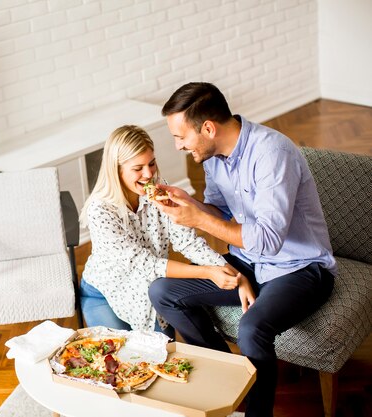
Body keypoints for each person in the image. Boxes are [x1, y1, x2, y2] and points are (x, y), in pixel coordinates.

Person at [148, 82, 336, 417]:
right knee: (163, 291)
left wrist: (199, 221)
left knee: (251, 328)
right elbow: (220, 213)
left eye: (180, 137)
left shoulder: (271, 154)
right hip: (251, 262)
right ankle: (231, 384)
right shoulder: (212, 157)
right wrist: (189, 204)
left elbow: (268, 240)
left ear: (208, 128)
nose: (178, 146)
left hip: (301, 269)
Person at [79, 124, 244, 340]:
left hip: (147, 294)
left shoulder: (159, 191)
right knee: (119, 359)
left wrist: (229, 272)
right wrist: (207, 272)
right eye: (138, 168)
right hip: (105, 293)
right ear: (116, 169)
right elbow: (147, 265)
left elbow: (187, 242)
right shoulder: (100, 211)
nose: (148, 174)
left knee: (163, 354)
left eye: (152, 163)